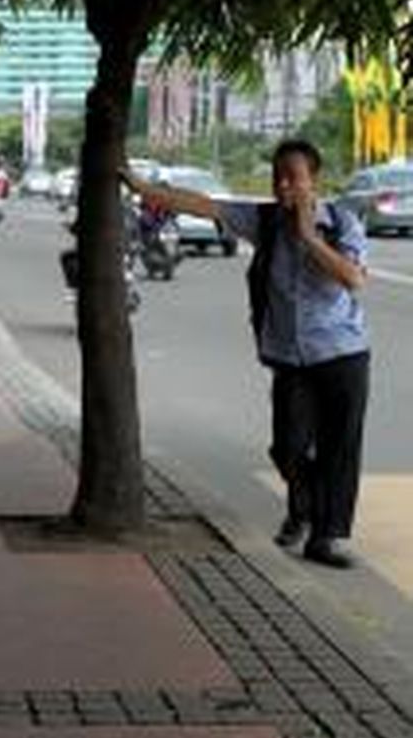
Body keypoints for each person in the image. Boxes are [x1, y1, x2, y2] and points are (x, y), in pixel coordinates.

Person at [122, 139, 369, 569]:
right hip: (290, 358)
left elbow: (352, 278)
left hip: (342, 353)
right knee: (287, 447)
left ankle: (326, 537)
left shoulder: (342, 223)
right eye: (278, 177)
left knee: (339, 449)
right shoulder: (265, 220)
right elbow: (205, 205)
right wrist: (141, 186)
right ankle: (304, 506)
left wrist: (310, 237)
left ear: (315, 181)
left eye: (293, 177)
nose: (283, 186)